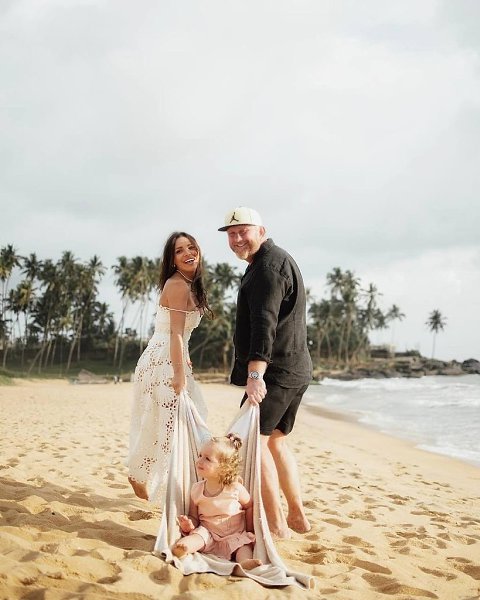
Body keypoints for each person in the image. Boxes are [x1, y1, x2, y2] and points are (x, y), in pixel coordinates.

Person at [218, 207, 312, 539]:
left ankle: (277, 525)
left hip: (275, 373)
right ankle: (296, 514)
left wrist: (255, 376)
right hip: (295, 368)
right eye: (231, 234)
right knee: (275, 442)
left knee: (250, 445)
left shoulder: (267, 269)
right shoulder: (270, 262)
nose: (237, 239)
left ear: (261, 231)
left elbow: (264, 325)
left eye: (243, 231)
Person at [127, 231, 212, 503]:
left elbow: (180, 335)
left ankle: (143, 476)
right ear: (172, 260)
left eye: (191, 247)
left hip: (172, 356)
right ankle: (144, 477)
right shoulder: (177, 285)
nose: (188, 253)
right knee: (173, 426)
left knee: (173, 423)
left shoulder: (191, 284)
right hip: (162, 362)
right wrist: (178, 372)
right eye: (179, 250)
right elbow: (174, 333)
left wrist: (184, 357)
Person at [172, 433, 262, 572]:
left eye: (207, 459)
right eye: (200, 455)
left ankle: (244, 562)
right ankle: (183, 548)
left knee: (243, 547)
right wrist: (188, 525)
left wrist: (249, 530)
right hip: (208, 534)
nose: (199, 460)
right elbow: (194, 517)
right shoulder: (196, 489)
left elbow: (249, 506)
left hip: (234, 536)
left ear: (224, 468)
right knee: (196, 537)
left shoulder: (235, 489)